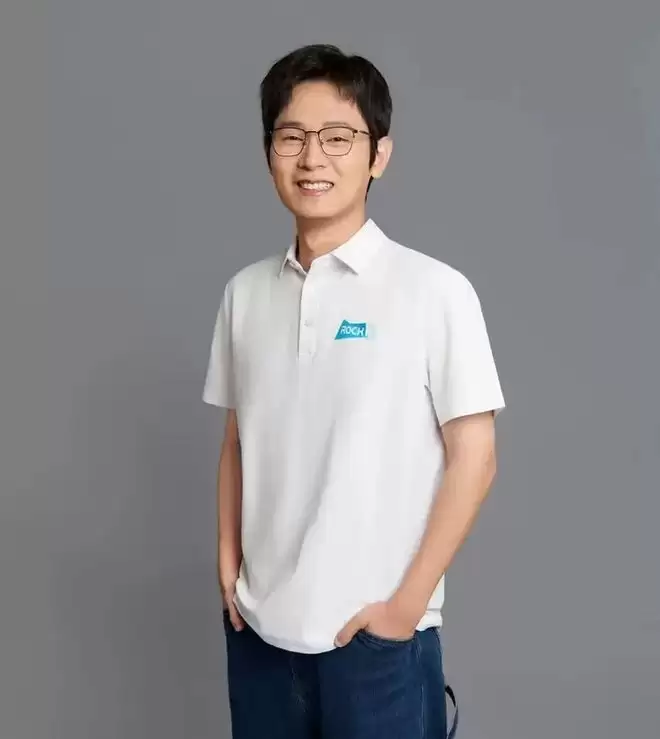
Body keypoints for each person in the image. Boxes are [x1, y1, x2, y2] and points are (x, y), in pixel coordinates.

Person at [203, 43, 505, 739]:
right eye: (292, 137)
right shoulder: (244, 294)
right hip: (259, 638)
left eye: (338, 137)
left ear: (379, 155)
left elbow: (476, 457)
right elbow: (237, 440)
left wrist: (404, 609)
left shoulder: (434, 291)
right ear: (269, 152)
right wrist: (228, 566)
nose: (313, 158)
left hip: (377, 645)